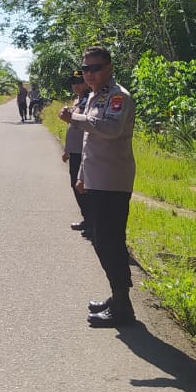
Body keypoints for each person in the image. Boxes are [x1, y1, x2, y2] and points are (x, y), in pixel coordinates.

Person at [60, 46, 137, 328]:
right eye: (85, 69)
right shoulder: (93, 96)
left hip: (113, 180)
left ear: (110, 67)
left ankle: (123, 306)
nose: (89, 74)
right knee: (103, 240)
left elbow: (110, 129)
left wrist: (75, 119)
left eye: (96, 68)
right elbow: (88, 144)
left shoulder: (118, 97)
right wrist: (81, 175)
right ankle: (117, 298)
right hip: (96, 178)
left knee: (110, 241)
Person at [61, 70, 92, 237]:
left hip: (84, 152)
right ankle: (87, 220)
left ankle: (92, 223)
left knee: (83, 188)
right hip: (74, 151)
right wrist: (67, 150)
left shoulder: (91, 100)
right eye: (73, 81)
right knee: (76, 185)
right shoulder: (78, 100)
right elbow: (71, 126)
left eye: (79, 81)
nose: (75, 84)